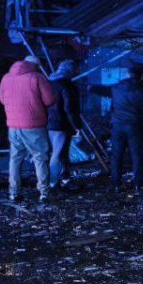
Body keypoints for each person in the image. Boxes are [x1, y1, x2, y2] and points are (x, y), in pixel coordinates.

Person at [0, 55, 57, 202]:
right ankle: (44, 193)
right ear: (36, 66)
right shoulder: (37, 77)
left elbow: (2, 99)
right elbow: (49, 100)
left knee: (15, 159)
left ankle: (13, 192)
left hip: (13, 126)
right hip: (34, 126)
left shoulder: (6, 77)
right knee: (40, 158)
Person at [110, 63, 143, 196]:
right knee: (137, 156)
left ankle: (117, 185)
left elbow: (112, 106)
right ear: (140, 76)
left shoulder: (115, 88)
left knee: (116, 156)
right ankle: (137, 185)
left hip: (117, 126)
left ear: (127, 75)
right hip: (134, 127)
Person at [47, 59, 83, 189]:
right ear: (71, 71)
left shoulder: (48, 83)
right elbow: (70, 109)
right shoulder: (67, 86)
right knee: (59, 154)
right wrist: (77, 126)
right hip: (61, 124)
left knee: (57, 153)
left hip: (47, 123)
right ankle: (53, 182)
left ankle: (63, 180)